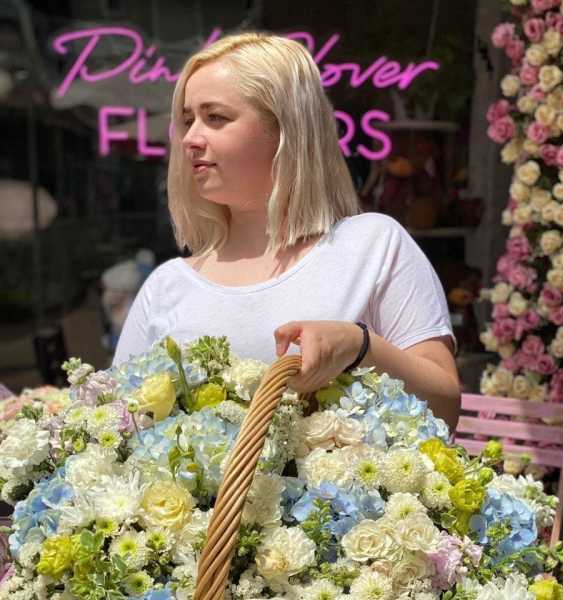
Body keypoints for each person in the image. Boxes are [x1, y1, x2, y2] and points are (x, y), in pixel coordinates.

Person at [112, 32, 461, 429]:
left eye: (216, 118)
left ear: (285, 129)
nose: (190, 138)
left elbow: (445, 408)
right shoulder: (166, 287)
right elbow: (116, 426)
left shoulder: (372, 246)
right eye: (188, 120)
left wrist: (360, 345)